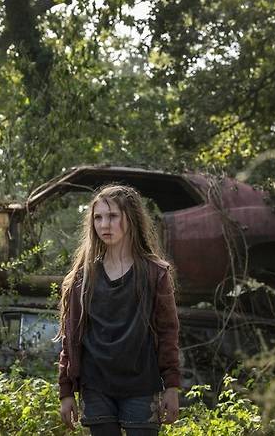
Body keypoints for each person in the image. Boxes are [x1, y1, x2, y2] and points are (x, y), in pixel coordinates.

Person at [56, 184, 180, 436]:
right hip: (95, 386)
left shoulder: (155, 273)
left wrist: (171, 386)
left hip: (141, 385)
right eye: (98, 218)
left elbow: (168, 333)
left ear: (130, 218)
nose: (104, 225)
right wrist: (66, 390)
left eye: (112, 216)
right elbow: (71, 338)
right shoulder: (82, 277)